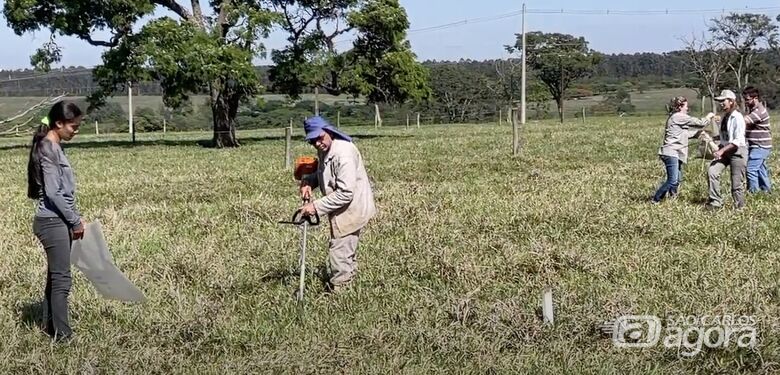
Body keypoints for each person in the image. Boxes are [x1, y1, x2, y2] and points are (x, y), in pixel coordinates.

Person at [27, 101, 85, 342]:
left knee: (55, 276)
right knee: (62, 280)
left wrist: (73, 216)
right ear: (59, 123)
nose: (76, 130)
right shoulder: (49, 148)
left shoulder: (53, 146)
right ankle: (63, 336)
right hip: (52, 222)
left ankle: (50, 326)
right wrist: (75, 221)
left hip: (55, 219)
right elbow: (53, 193)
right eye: (74, 126)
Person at [298, 116, 376, 293]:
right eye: (312, 140)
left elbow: (346, 193)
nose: (317, 143)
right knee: (345, 250)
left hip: (351, 209)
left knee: (339, 252)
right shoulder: (326, 148)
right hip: (339, 207)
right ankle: (350, 284)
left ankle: (341, 293)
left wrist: (314, 207)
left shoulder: (344, 153)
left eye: (319, 137)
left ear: (329, 132)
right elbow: (324, 171)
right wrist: (309, 181)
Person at [651, 96, 715, 203]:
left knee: (677, 179)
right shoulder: (679, 116)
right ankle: (656, 199)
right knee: (672, 180)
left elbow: (684, 134)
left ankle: (673, 198)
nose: (687, 108)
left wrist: (698, 134)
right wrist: (709, 116)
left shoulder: (675, 117)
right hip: (671, 152)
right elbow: (701, 123)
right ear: (680, 107)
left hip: (674, 152)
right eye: (686, 106)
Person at [707, 90, 748, 210]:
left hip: (737, 152)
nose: (721, 104)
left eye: (723, 101)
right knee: (712, 171)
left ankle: (739, 208)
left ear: (731, 101)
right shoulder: (726, 117)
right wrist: (712, 138)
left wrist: (721, 151)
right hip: (725, 150)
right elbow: (725, 136)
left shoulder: (737, 117)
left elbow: (737, 141)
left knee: (736, 184)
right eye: (719, 101)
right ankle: (715, 202)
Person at [742, 86, 772, 193]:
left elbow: (743, 121)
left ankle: (753, 193)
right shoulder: (753, 110)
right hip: (756, 145)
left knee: (751, 169)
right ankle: (766, 190)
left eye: (747, 99)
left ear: (755, 98)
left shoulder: (759, 111)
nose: (745, 101)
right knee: (760, 169)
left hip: (760, 145)